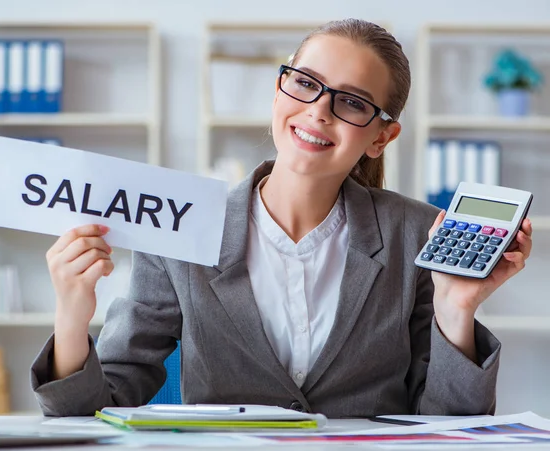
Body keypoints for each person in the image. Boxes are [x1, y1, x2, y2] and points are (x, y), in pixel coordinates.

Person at [30, 18, 533, 418]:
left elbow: (455, 427)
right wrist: (72, 314)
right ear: (278, 92)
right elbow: (95, 410)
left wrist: (455, 309)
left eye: (352, 102)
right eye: (305, 84)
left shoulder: (417, 236)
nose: (318, 111)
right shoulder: (181, 226)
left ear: (381, 137)